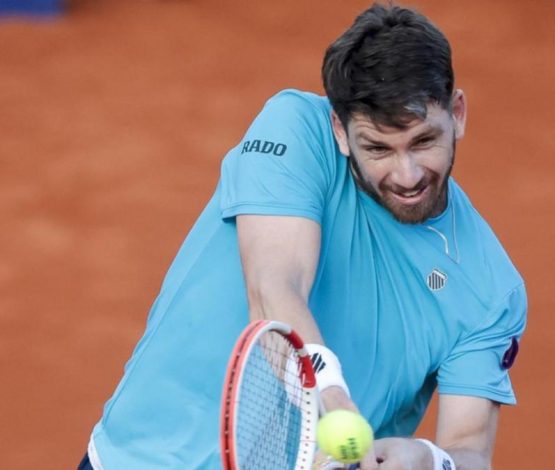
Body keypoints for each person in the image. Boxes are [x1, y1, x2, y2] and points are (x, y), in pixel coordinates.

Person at [81, 3, 527, 469]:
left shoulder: (492, 291)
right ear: (339, 129)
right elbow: (275, 288)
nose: (407, 174)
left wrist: (431, 460)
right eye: (377, 148)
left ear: (457, 113)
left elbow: (471, 449)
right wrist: (332, 400)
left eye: (423, 142)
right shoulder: (295, 129)